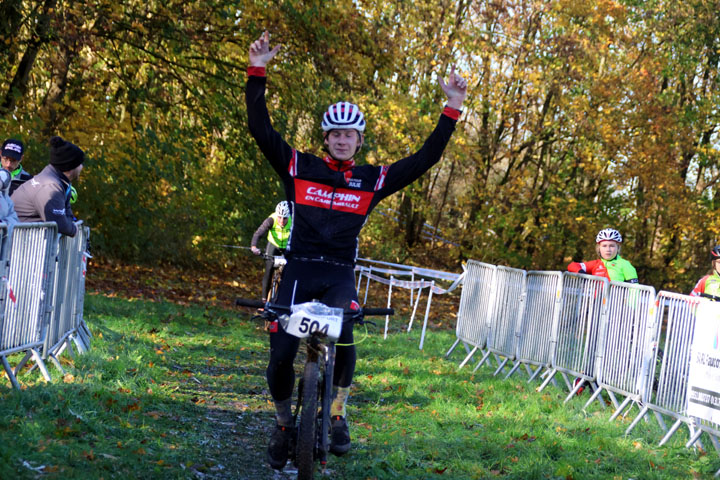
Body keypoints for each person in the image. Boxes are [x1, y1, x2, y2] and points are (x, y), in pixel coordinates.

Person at [246, 30, 467, 470]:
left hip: (338, 273)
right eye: (334, 135)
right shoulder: (298, 167)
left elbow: (424, 159)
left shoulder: (372, 180)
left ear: (359, 141)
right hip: (299, 269)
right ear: (325, 139)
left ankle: (338, 414)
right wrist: (258, 70)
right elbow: (260, 128)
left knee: (344, 331)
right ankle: (284, 424)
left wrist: (453, 108)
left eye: (350, 135)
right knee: (281, 356)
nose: (342, 140)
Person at [12, 136, 85, 237]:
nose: (82, 167)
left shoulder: (57, 180)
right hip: (19, 242)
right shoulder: (50, 187)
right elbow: (59, 224)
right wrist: (74, 230)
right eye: (80, 164)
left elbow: (67, 214)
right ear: (70, 166)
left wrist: (70, 224)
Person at [251, 201, 292, 301]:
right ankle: (264, 301)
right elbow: (258, 233)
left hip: (287, 247)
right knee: (269, 270)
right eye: (279, 217)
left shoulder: (293, 221)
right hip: (274, 245)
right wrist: (254, 247)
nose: (281, 220)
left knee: (290, 272)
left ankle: (285, 300)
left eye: (285, 218)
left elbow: (300, 237)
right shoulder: (271, 219)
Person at [567, 228, 638, 283]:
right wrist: (582, 273)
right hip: (596, 301)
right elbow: (572, 266)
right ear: (599, 248)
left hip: (615, 301)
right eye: (604, 246)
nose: (608, 249)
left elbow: (634, 290)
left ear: (618, 248)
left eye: (612, 246)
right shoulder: (596, 264)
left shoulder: (625, 265)